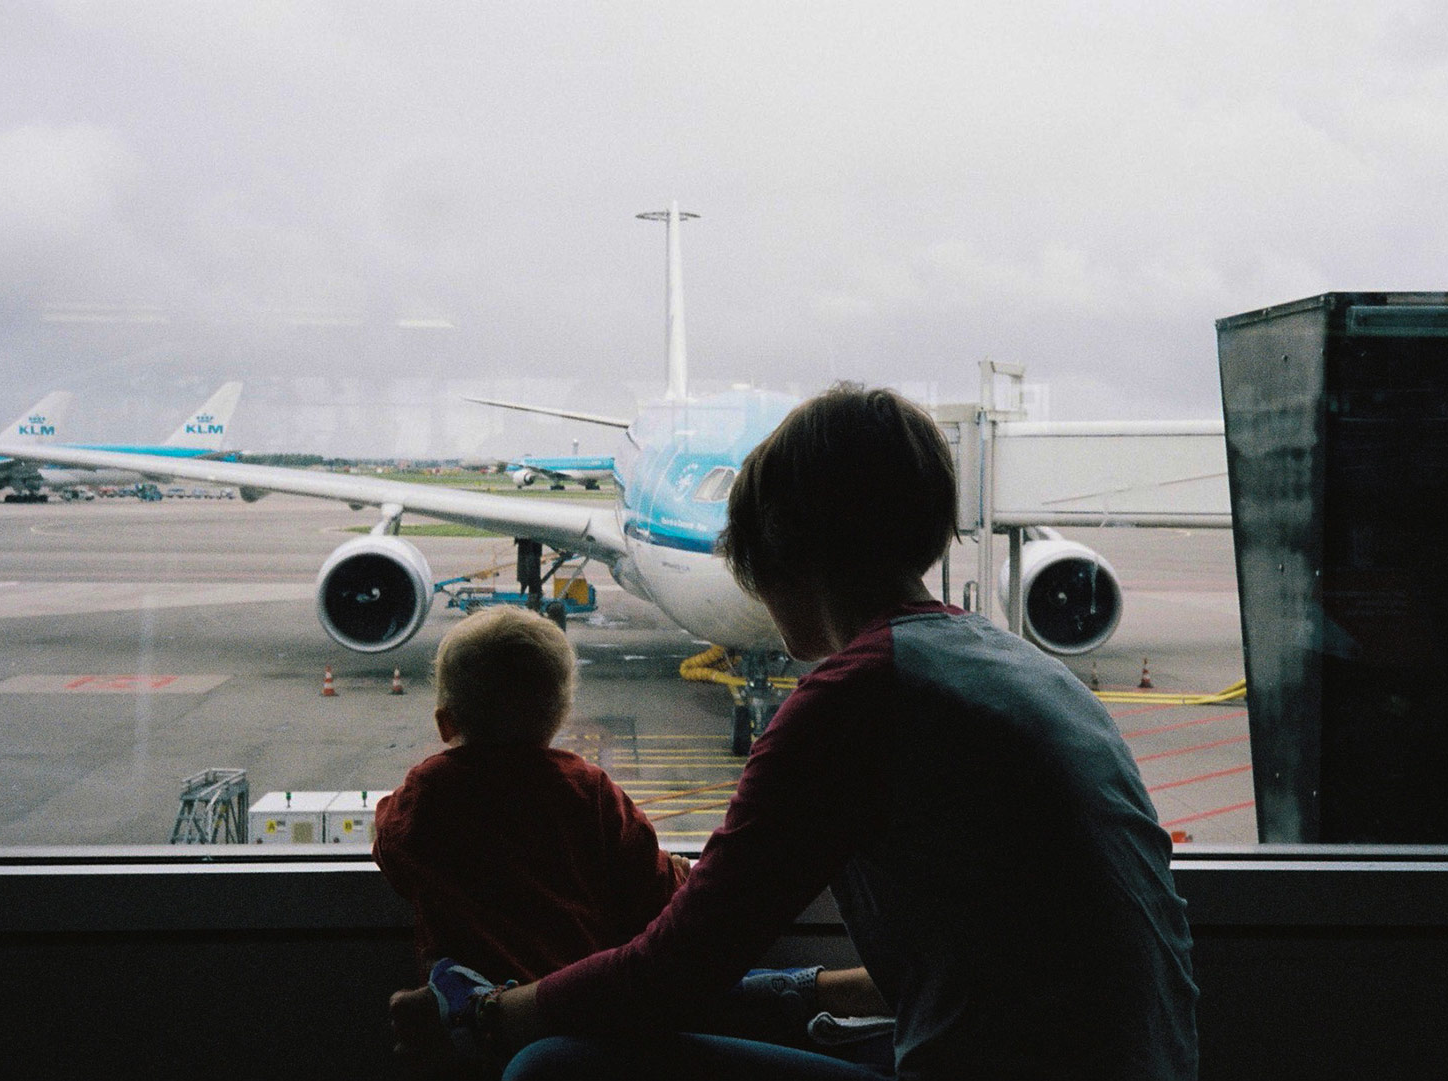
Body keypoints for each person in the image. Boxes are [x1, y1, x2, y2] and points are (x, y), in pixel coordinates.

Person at [393, 384, 1200, 1080]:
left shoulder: (857, 695)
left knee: (547, 1064)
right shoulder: (1015, 666)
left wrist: (492, 1014)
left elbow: (675, 969)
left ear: (775, 546)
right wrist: (798, 990)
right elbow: (1001, 971)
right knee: (751, 999)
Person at [373, 604, 690, 984]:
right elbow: (652, 891)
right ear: (559, 718)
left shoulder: (431, 789)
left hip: (474, 1012)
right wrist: (679, 872)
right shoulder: (591, 791)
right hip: (573, 999)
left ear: (445, 724)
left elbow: (390, 846)